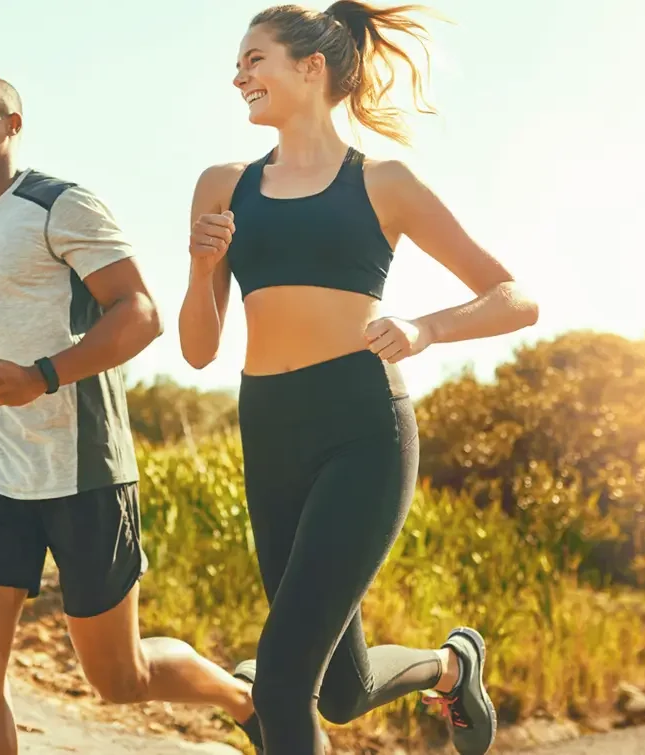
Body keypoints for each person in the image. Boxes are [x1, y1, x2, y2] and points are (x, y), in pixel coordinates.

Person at [178, 2, 540, 754]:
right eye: (239, 62)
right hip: (269, 426)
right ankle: (452, 665)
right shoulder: (222, 184)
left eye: (255, 59)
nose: (238, 74)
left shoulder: (383, 183)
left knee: (278, 681)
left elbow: (515, 297)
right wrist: (201, 264)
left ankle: (441, 667)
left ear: (310, 68)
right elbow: (198, 350)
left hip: (361, 428)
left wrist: (425, 328)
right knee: (339, 690)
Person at [0, 74, 255, 755]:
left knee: (120, 677)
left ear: (12, 123)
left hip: (84, 469)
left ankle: (245, 698)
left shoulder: (60, 204)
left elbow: (140, 314)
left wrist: (44, 377)